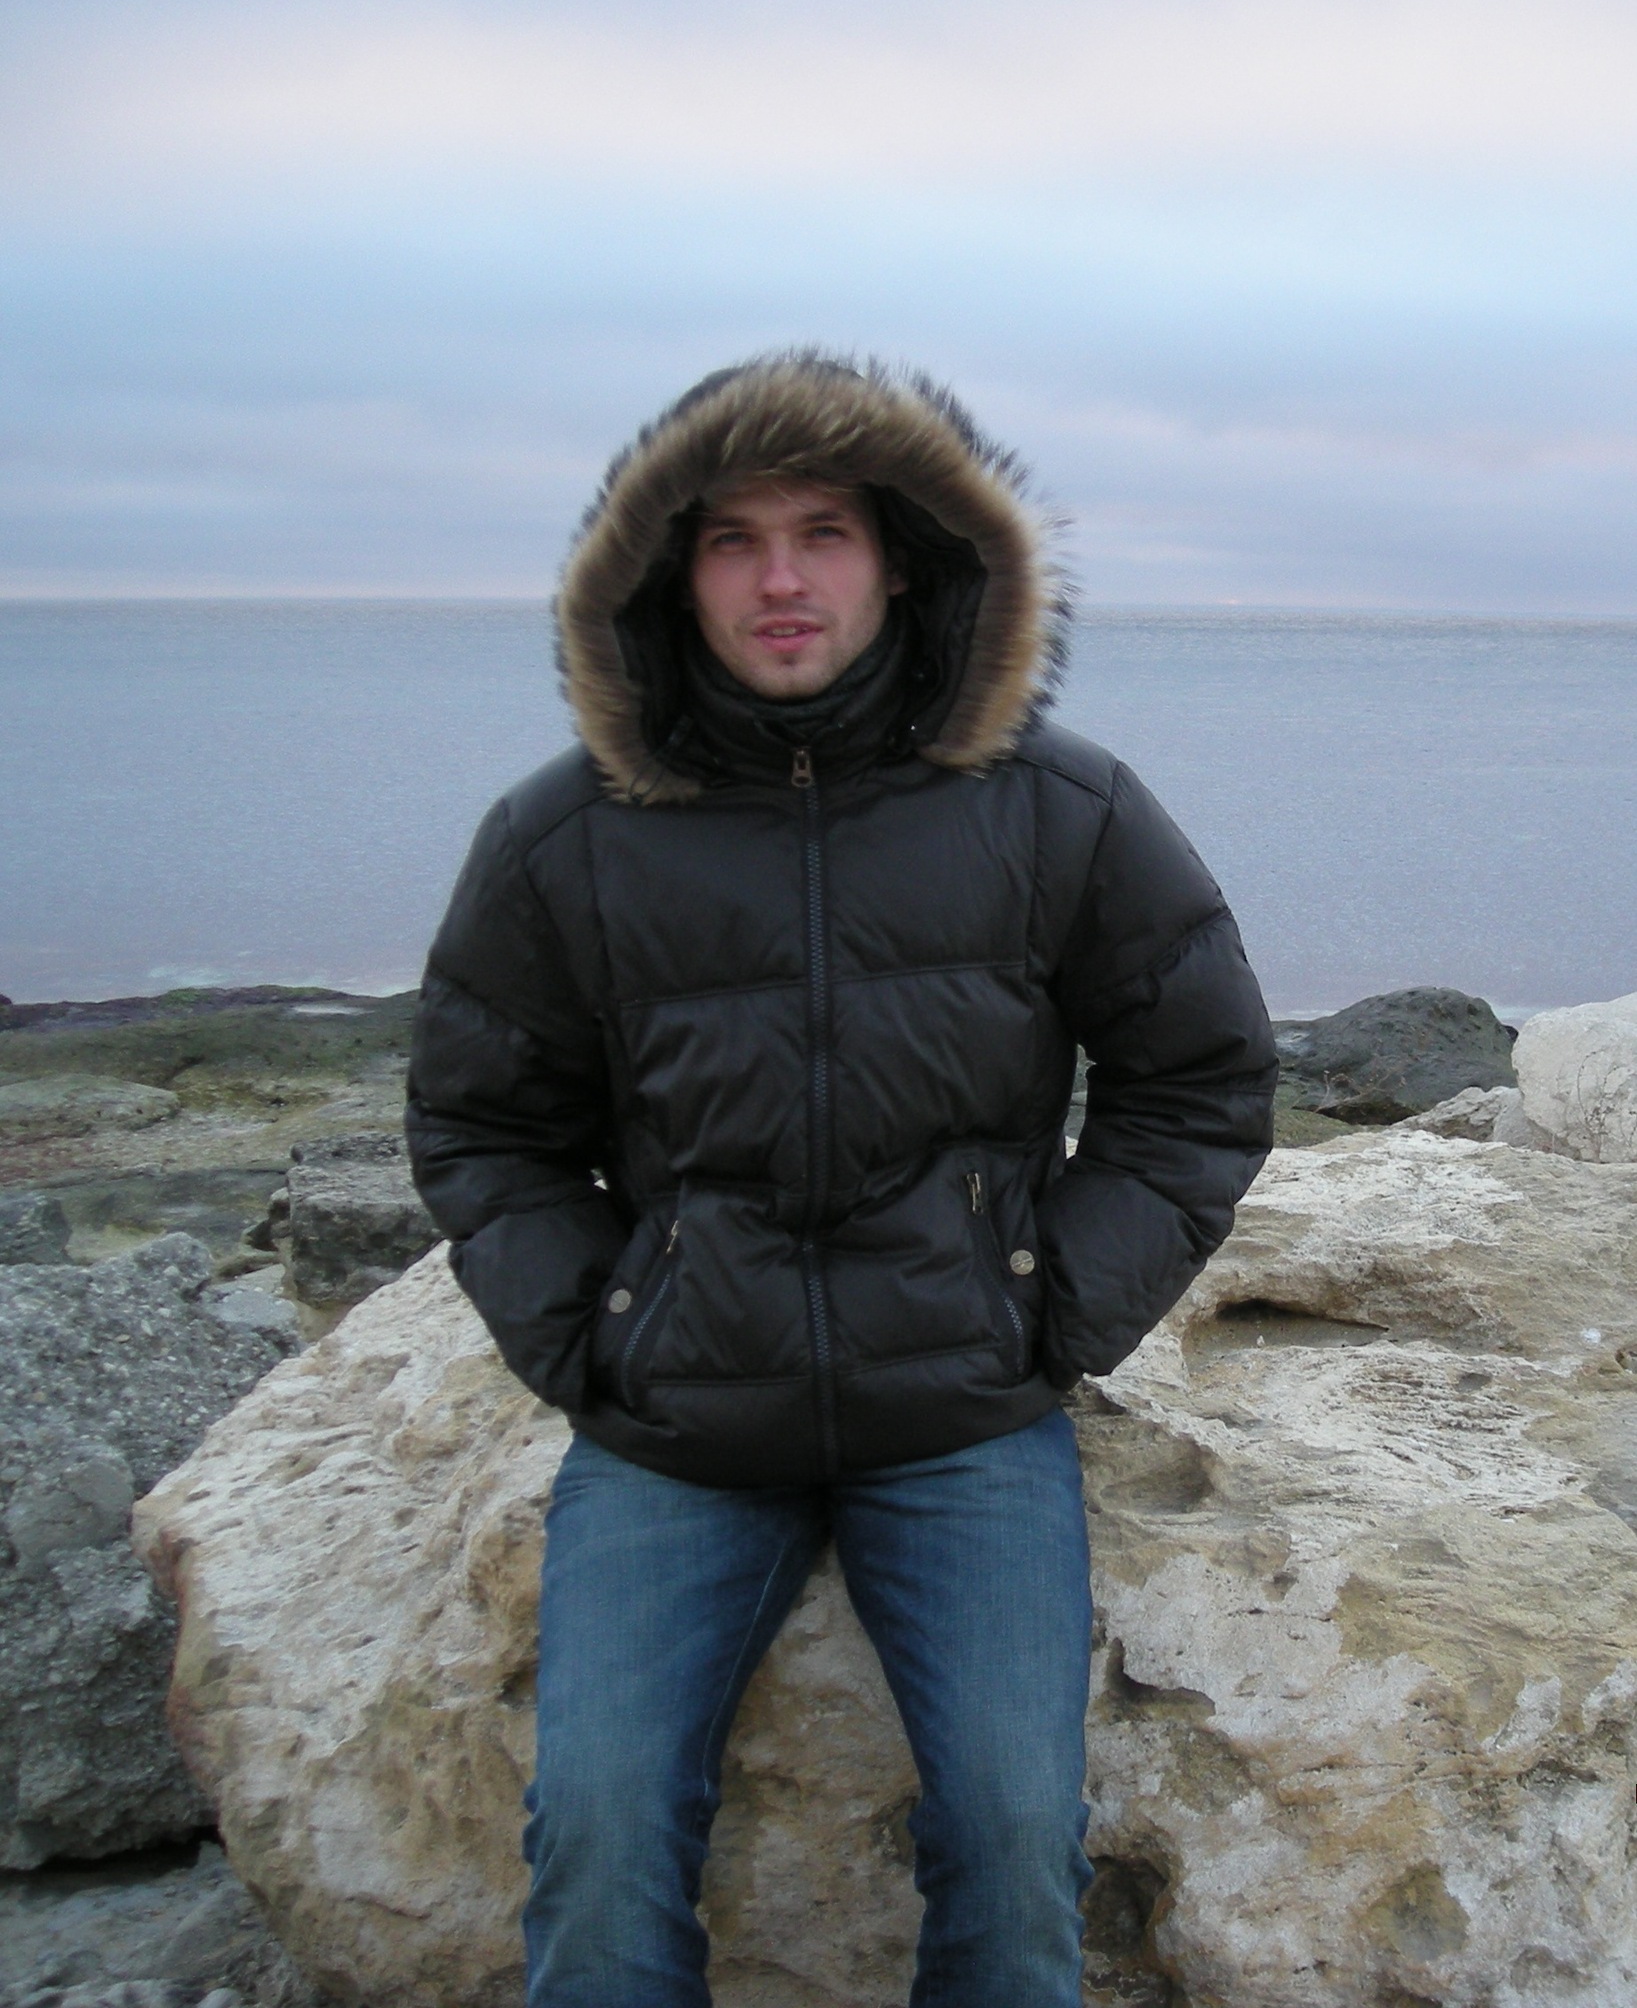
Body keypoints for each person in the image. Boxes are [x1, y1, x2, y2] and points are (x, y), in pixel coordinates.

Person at [405, 352, 1278, 2007]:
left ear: (903, 561)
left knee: (1014, 1839)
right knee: (593, 1834)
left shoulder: (1060, 809)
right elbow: (480, 1124)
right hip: (677, 1426)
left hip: (962, 1411)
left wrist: (1045, 1311)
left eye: (823, 532)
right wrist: (600, 1334)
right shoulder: (562, 837)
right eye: (732, 539)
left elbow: (1198, 1078)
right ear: (670, 574)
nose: (781, 579)